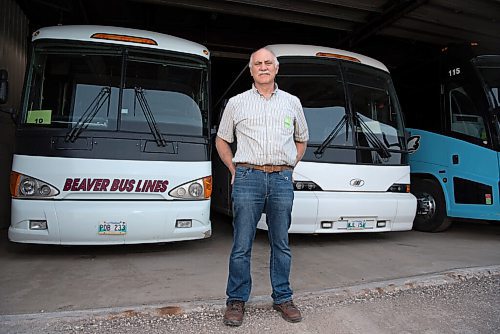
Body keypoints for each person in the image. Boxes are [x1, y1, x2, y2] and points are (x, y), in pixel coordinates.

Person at [216, 47, 309, 326]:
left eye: (268, 62)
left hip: (281, 179)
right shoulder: (236, 103)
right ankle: (236, 301)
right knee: (242, 244)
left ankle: (282, 297)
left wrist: (290, 165)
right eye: (258, 63)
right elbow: (222, 139)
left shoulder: (292, 102)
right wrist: (233, 169)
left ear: (276, 68)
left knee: (281, 244)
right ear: (251, 70)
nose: (264, 67)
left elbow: (301, 138)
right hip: (248, 178)